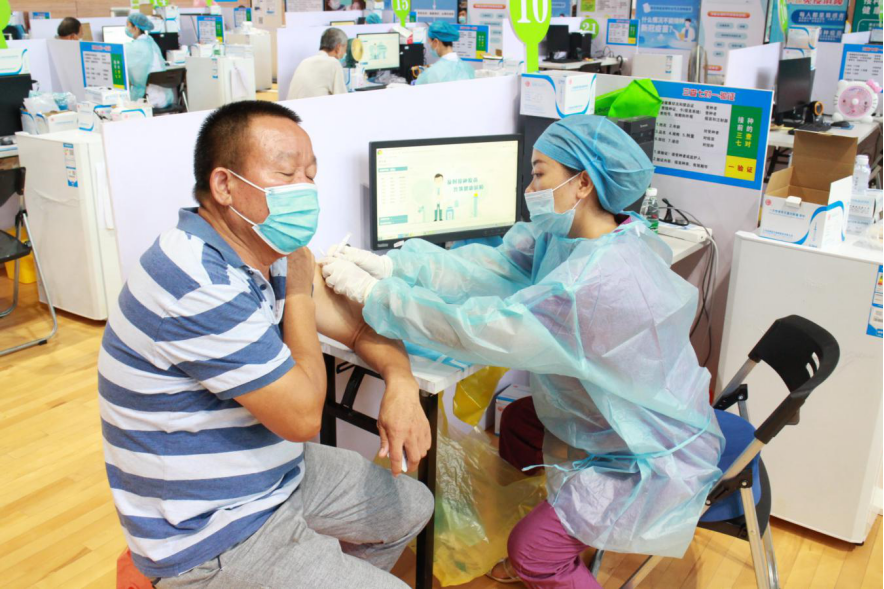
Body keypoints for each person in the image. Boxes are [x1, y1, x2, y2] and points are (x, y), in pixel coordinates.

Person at [320, 115, 724, 588]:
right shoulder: (573, 236)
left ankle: (542, 554)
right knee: (516, 422)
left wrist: (376, 296)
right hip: (611, 414)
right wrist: (395, 267)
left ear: (583, 184)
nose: (530, 188)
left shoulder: (595, 284)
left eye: (538, 174)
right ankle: (545, 523)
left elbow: (484, 329)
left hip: (645, 451)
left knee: (531, 551)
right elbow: (490, 268)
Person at [98, 100, 434, 588]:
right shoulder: (196, 281)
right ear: (224, 185)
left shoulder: (263, 248)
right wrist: (298, 291)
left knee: (411, 505)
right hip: (209, 532)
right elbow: (303, 419)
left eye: (310, 174)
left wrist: (401, 381)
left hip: (273, 475)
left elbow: (361, 330)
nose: (305, 189)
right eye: (285, 173)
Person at [124, 13, 173, 108]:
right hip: (165, 97)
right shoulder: (151, 41)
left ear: (136, 28)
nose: (126, 28)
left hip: (148, 99)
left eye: (128, 25)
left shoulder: (135, 47)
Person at [288, 28, 348, 100]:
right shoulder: (334, 63)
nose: (345, 53)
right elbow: (342, 98)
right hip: (312, 106)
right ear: (338, 47)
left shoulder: (304, 62)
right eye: (345, 48)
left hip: (290, 106)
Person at [415, 22, 475, 86]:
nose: (429, 46)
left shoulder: (432, 73)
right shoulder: (468, 68)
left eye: (429, 42)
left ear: (435, 42)